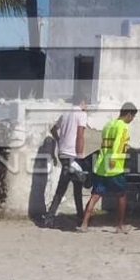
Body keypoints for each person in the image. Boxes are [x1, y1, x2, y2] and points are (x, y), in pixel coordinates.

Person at [79, 102, 137, 233]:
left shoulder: (108, 124)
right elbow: (118, 144)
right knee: (121, 195)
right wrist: (114, 159)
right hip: (114, 167)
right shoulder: (123, 126)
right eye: (133, 117)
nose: (132, 120)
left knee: (95, 195)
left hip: (101, 165)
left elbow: (105, 144)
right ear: (129, 114)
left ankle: (84, 224)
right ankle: (120, 226)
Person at [43, 97, 88, 228]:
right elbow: (80, 136)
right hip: (73, 154)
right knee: (71, 187)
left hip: (63, 152)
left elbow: (53, 129)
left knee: (69, 185)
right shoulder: (81, 114)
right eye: (86, 103)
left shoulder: (65, 114)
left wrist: (59, 140)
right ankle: (54, 217)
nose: (86, 106)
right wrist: (80, 156)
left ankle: (78, 217)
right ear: (82, 102)